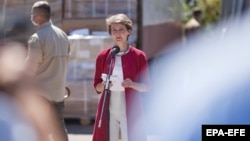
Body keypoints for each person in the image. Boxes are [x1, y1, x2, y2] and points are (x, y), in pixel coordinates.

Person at [92, 13, 151, 141]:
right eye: (114, 31)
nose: (118, 34)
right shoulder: (103, 56)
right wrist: (103, 86)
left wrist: (132, 84)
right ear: (110, 33)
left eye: (121, 30)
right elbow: (96, 85)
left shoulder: (139, 56)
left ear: (129, 31)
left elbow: (147, 87)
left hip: (130, 110)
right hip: (108, 110)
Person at [24, 1, 70, 141]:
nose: (31, 16)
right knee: (58, 128)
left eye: (33, 14)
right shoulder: (63, 35)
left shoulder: (36, 38)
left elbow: (31, 67)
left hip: (40, 93)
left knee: (36, 128)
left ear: (37, 16)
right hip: (58, 91)